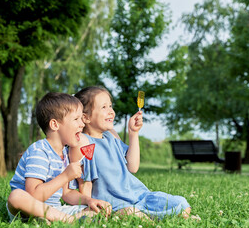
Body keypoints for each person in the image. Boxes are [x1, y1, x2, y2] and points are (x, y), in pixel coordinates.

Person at [69, 86, 191, 220]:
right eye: (104, 107)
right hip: (115, 204)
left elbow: (132, 167)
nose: (111, 111)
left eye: (110, 106)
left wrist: (133, 133)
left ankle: (154, 216)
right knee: (133, 215)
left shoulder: (110, 135)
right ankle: (151, 218)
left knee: (182, 204)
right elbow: (84, 182)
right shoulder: (84, 142)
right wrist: (90, 206)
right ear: (85, 117)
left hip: (139, 195)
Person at [7, 92, 112, 223]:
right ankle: (69, 220)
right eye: (76, 119)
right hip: (26, 209)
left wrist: (89, 200)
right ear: (55, 125)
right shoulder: (39, 151)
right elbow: (33, 195)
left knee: (95, 211)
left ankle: (52, 220)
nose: (82, 124)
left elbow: (66, 194)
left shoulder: (64, 154)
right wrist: (65, 176)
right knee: (16, 196)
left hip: (55, 209)